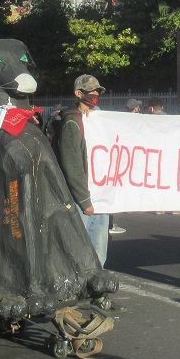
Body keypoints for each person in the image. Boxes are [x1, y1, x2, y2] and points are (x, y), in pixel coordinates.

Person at [57, 75, 111, 266]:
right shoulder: (72, 122)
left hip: (100, 196)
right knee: (81, 250)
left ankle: (97, 289)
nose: (95, 96)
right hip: (83, 199)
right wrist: (84, 200)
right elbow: (72, 165)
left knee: (99, 251)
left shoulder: (99, 121)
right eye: (91, 92)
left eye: (98, 93)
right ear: (79, 94)